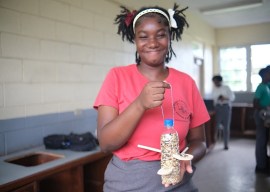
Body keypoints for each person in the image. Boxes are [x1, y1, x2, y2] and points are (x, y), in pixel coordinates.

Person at [93, 3, 210, 192]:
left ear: (170, 37)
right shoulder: (116, 77)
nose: (153, 42)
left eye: (161, 34)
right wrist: (140, 104)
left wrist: (186, 157)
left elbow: (200, 142)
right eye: (143, 36)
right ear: (135, 39)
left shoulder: (186, 82)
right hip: (127, 185)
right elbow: (106, 144)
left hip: (179, 183)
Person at [253, 66, 270, 175]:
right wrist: (265, 109)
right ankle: (260, 165)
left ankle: (265, 161)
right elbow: (255, 103)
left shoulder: (268, 86)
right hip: (261, 115)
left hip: (267, 114)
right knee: (261, 141)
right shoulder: (261, 87)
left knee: (265, 140)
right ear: (264, 75)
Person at [212, 75, 235, 150]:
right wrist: (218, 98)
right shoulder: (214, 89)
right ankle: (213, 142)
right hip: (217, 108)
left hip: (225, 107)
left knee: (226, 127)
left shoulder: (226, 88)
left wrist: (225, 97)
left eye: (216, 81)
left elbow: (232, 97)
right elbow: (214, 100)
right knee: (215, 126)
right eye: (214, 82)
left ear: (220, 81)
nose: (215, 83)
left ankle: (226, 144)